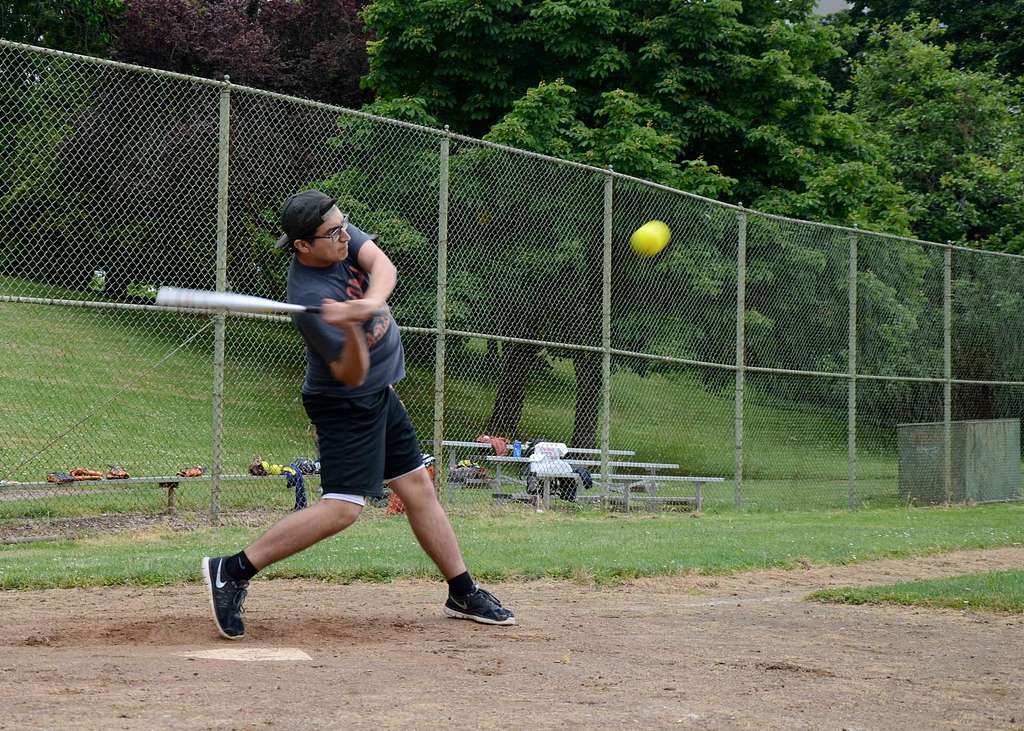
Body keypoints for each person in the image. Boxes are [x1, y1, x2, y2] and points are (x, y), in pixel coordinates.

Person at [202, 189, 515, 639]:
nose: (344, 236)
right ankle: (232, 570)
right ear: (303, 246)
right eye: (333, 233)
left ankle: (462, 591)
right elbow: (351, 373)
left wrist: (369, 302)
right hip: (346, 403)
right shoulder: (310, 299)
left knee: (417, 488)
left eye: (344, 225)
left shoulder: (340, 235)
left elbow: (384, 265)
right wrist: (349, 328)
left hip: (380, 395)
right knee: (343, 509)